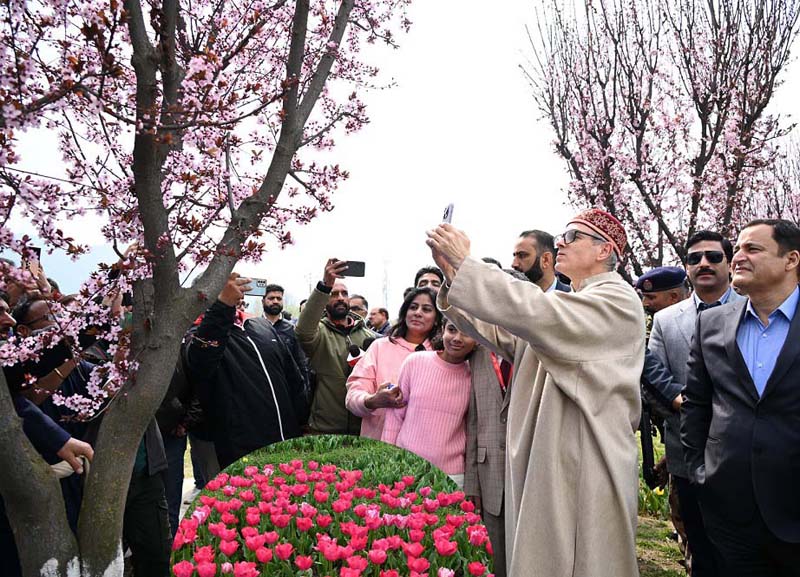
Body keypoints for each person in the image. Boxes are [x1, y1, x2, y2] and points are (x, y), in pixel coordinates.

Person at [426, 208, 644, 577]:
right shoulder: (569, 303)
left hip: (586, 458)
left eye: (573, 236)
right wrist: (453, 273)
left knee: (583, 560)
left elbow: (535, 311)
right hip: (549, 455)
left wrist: (469, 265)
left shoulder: (617, 301)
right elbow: (499, 330)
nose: (560, 243)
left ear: (604, 250)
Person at [681, 219, 800, 577]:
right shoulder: (711, 324)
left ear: (791, 260)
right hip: (728, 511)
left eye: (753, 249)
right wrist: (699, 473)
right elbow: (696, 405)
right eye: (739, 249)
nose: (738, 258)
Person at [648, 231, 743, 576]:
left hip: (746, 460)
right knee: (700, 552)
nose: (703, 263)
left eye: (714, 257)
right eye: (694, 258)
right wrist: (679, 402)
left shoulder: (754, 310)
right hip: (688, 457)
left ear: (730, 263)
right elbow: (651, 376)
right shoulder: (666, 320)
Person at [186, 273, 308, 468]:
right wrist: (221, 307)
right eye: (224, 285)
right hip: (243, 448)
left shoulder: (260, 325)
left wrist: (302, 419)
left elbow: (293, 377)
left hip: (287, 439)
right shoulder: (197, 334)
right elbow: (202, 361)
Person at [381, 320, 476, 488]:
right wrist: (389, 459)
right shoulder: (415, 362)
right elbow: (395, 415)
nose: (457, 338)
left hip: (452, 475)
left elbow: (472, 429)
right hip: (407, 467)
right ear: (442, 330)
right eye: (452, 330)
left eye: (466, 333)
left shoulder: (474, 376)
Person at [345, 287, 442, 439]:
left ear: (437, 318)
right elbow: (352, 397)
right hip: (379, 446)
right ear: (404, 313)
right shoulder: (380, 347)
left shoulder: (441, 354)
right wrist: (373, 400)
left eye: (427, 309)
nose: (418, 313)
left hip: (425, 446)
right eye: (413, 307)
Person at [295, 259, 375, 435]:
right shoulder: (319, 333)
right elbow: (303, 331)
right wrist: (325, 286)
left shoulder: (369, 337)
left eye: (344, 293)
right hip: (325, 428)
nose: (340, 298)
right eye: (333, 293)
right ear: (324, 299)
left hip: (362, 428)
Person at [262, 283, 311, 403]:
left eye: (279, 298)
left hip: (287, 390)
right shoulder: (253, 327)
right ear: (263, 301)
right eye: (271, 298)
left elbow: (300, 362)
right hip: (262, 388)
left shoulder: (291, 329)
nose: (275, 301)